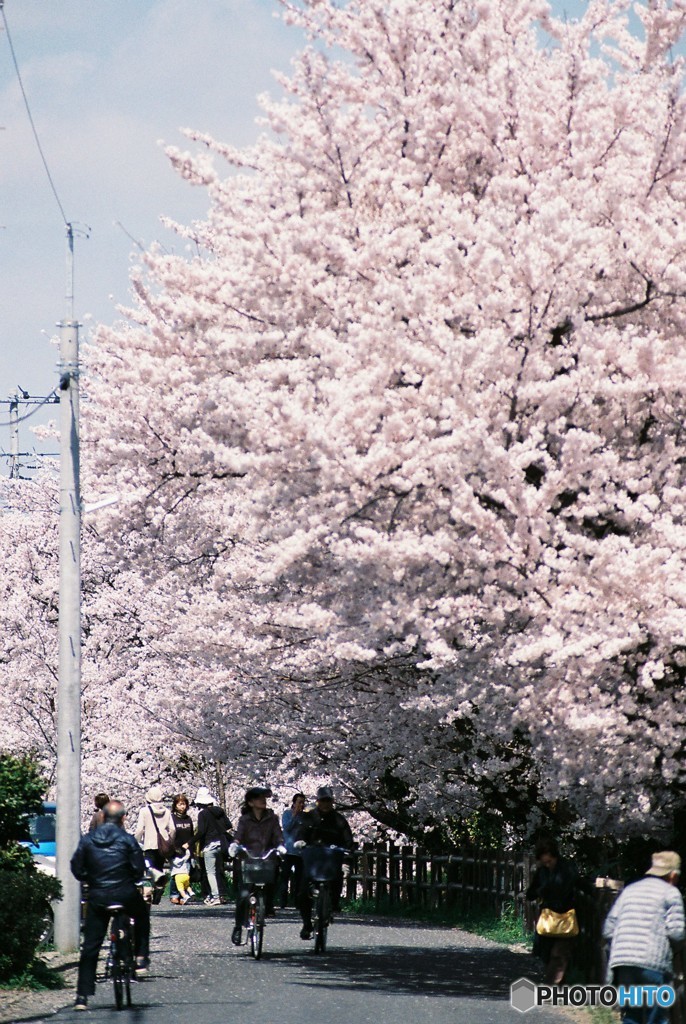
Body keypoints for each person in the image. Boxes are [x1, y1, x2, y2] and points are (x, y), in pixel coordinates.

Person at [70, 801, 150, 1012]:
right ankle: (141, 956)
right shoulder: (127, 839)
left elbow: (76, 867)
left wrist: (90, 879)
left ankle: (82, 996)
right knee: (142, 914)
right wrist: (131, 878)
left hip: (98, 896)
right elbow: (139, 869)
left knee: (91, 945)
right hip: (125, 894)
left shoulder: (88, 840)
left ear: (103, 817)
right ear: (123, 818)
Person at [603, 851, 685, 1024]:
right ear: (673, 875)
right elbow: (677, 933)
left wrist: (623, 946)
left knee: (631, 1015)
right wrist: (672, 951)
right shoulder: (671, 893)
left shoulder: (630, 890)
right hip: (653, 964)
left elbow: (609, 929)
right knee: (657, 1017)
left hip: (623, 963)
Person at [526, 837, 593, 984]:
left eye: (549, 861)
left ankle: (554, 985)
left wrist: (593, 891)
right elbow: (530, 893)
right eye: (545, 863)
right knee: (547, 954)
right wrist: (539, 891)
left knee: (559, 953)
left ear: (555, 856)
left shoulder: (568, 868)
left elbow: (575, 884)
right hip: (549, 918)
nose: (548, 865)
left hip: (565, 916)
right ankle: (555, 983)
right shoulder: (542, 872)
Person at [295, 785, 353, 940]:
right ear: (317, 801)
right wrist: (300, 841)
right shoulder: (309, 817)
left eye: (328, 801)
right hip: (313, 861)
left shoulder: (339, 820)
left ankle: (333, 905)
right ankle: (307, 924)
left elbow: (348, 842)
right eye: (322, 801)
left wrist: (346, 860)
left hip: (331, 861)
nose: (325, 804)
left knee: (337, 879)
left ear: (332, 802)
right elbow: (301, 833)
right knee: (302, 893)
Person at [229, 786, 284, 946]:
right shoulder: (245, 820)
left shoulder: (272, 818)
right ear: (251, 802)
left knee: (270, 886)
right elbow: (238, 836)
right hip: (249, 859)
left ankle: (263, 911)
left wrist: (280, 845)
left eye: (264, 798)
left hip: (266, 859)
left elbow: (278, 835)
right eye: (259, 798)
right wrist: (235, 845)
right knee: (244, 895)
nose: (263, 801)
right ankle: (238, 927)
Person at [194, 786, 233, 907]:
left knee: (210, 872)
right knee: (219, 870)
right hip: (221, 844)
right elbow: (228, 825)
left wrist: (189, 843)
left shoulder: (202, 814)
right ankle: (222, 895)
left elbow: (201, 831)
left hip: (209, 845)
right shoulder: (219, 811)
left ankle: (215, 896)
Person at [278, 793, 306, 908]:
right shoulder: (287, 814)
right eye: (299, 802)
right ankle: (283, 902)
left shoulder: (304, 816)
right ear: (294, 803)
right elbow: (286, 827)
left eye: (303, 802)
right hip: (288, 850)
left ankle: (297, 902)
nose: (301, 805)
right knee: (285, 876)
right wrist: (294, 815)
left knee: (299, 878)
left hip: (300, 852)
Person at [169, 793, 195, 905]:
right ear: (175, 805)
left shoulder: (188, 819)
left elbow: (191, 834)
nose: (182, 807)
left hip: (187, 850)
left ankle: (183, 896)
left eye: (184, 804)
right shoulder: (172, 818)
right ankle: (174, 895)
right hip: (175, 849)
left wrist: (190, 846)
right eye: (180, 804)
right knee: (175, 874)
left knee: (185, 874)